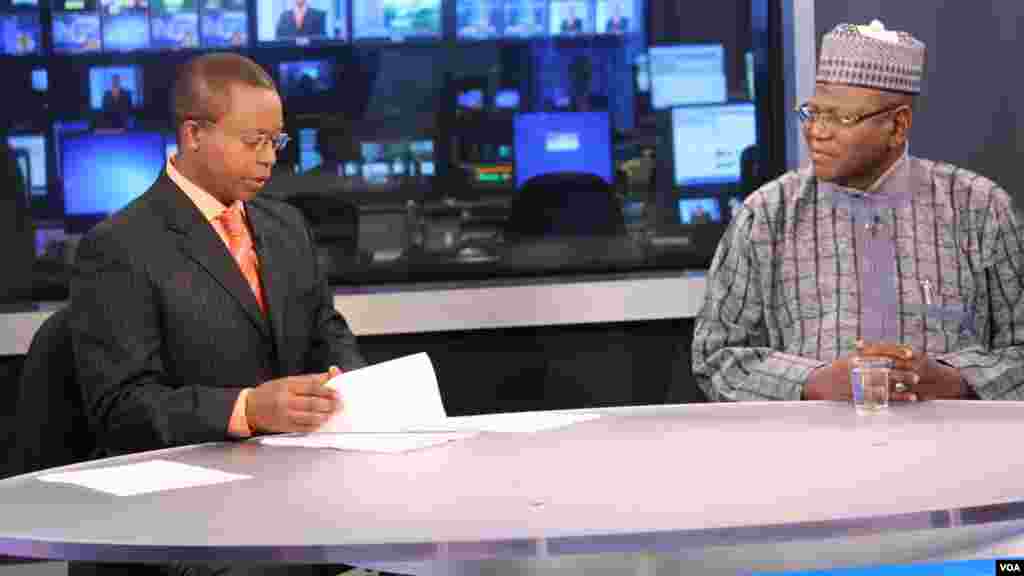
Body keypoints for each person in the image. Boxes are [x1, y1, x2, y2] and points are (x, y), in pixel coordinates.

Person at [70, 52, 366, 575]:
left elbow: (325, 329)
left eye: (276, 142)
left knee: (418, 534)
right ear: (193, 135)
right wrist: (248, 410)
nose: (269, 158)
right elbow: (122, 410)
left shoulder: (286, 225)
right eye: (252, 141)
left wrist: (357, 390)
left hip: (300, 483)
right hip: (183, 506)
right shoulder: (119, 247)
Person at [692, 20, 1024, 402]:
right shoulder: (767, 216)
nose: (817, 131)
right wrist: (812, 382)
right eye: (813, 112)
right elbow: (715, 357)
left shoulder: (979, 210)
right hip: (812, 454)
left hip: (956, 454)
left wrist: (956, 381)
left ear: (897, 127)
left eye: (841, 117)